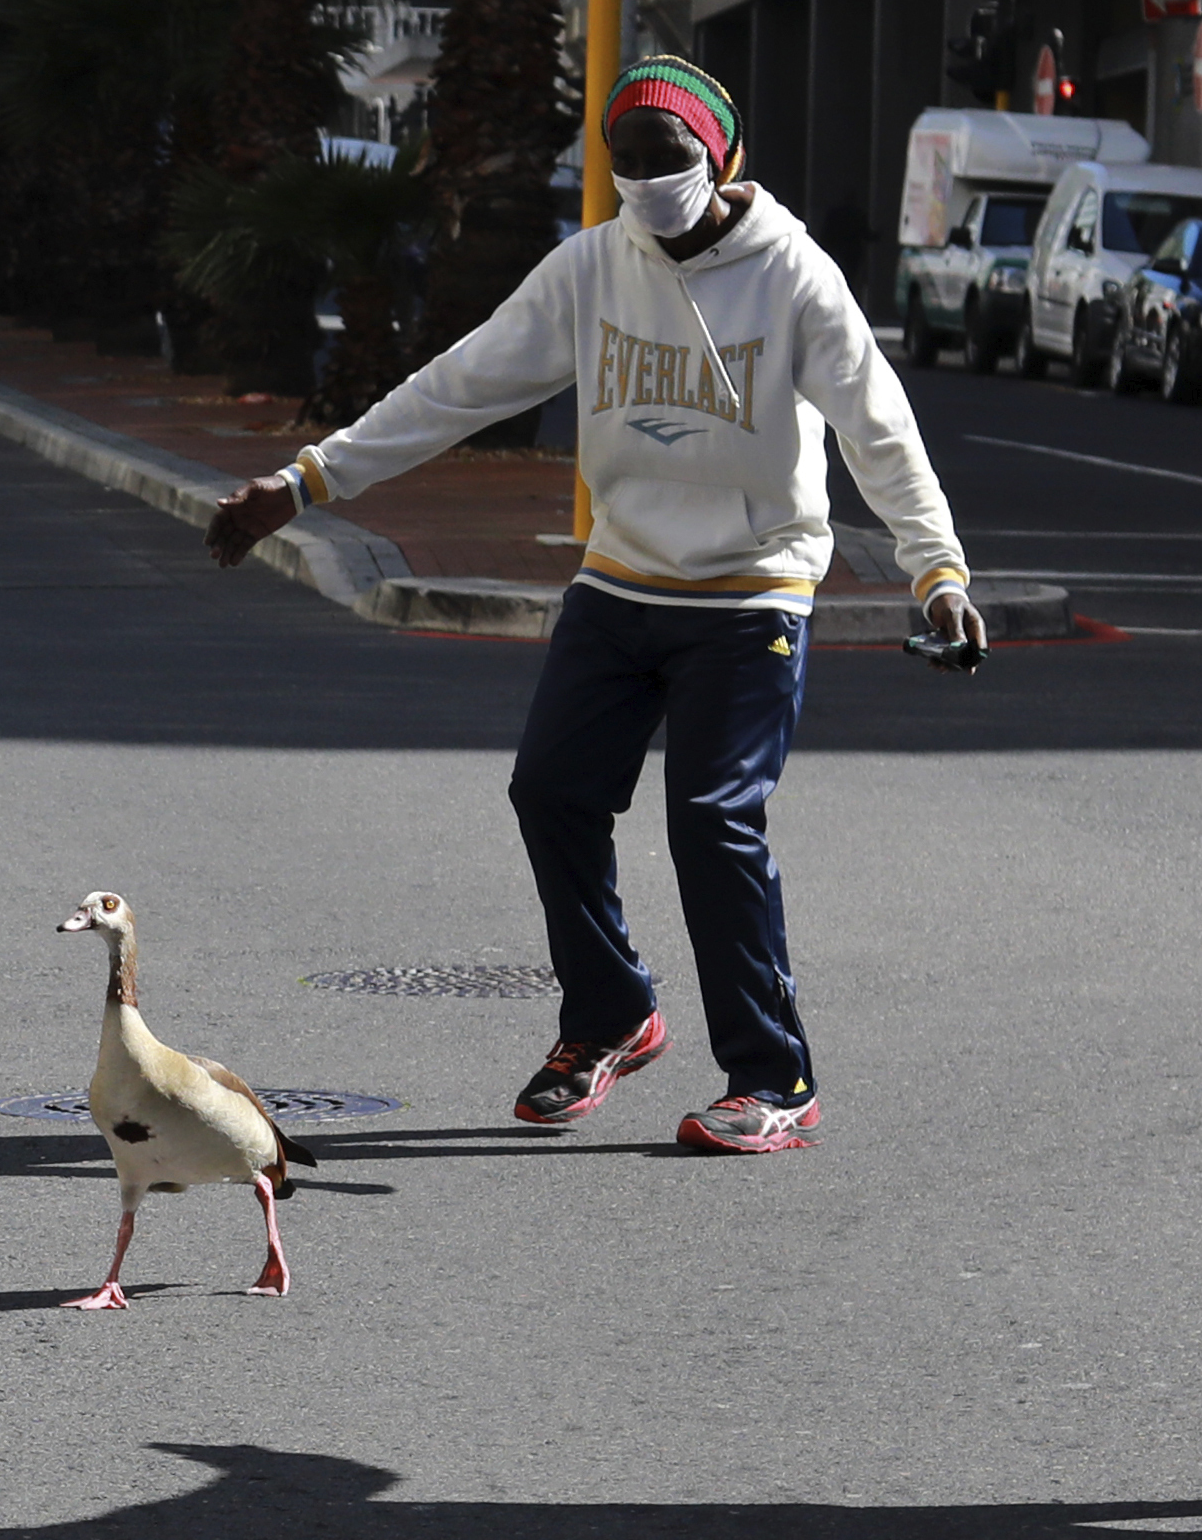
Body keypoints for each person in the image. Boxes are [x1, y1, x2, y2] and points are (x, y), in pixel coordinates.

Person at [207, 59, 983, 1153]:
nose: (654, 181)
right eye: (633, 163)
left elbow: (879, 427)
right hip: (620, 580)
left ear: (728, 160)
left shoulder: (795, 279)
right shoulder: (589, 269)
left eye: (675, 160)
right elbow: (457, 384)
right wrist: (305, 482)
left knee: (712, 819)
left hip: (753, 587)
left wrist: (936, 570)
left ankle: (774, 1076)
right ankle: (613, 1011)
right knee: (552, 792)